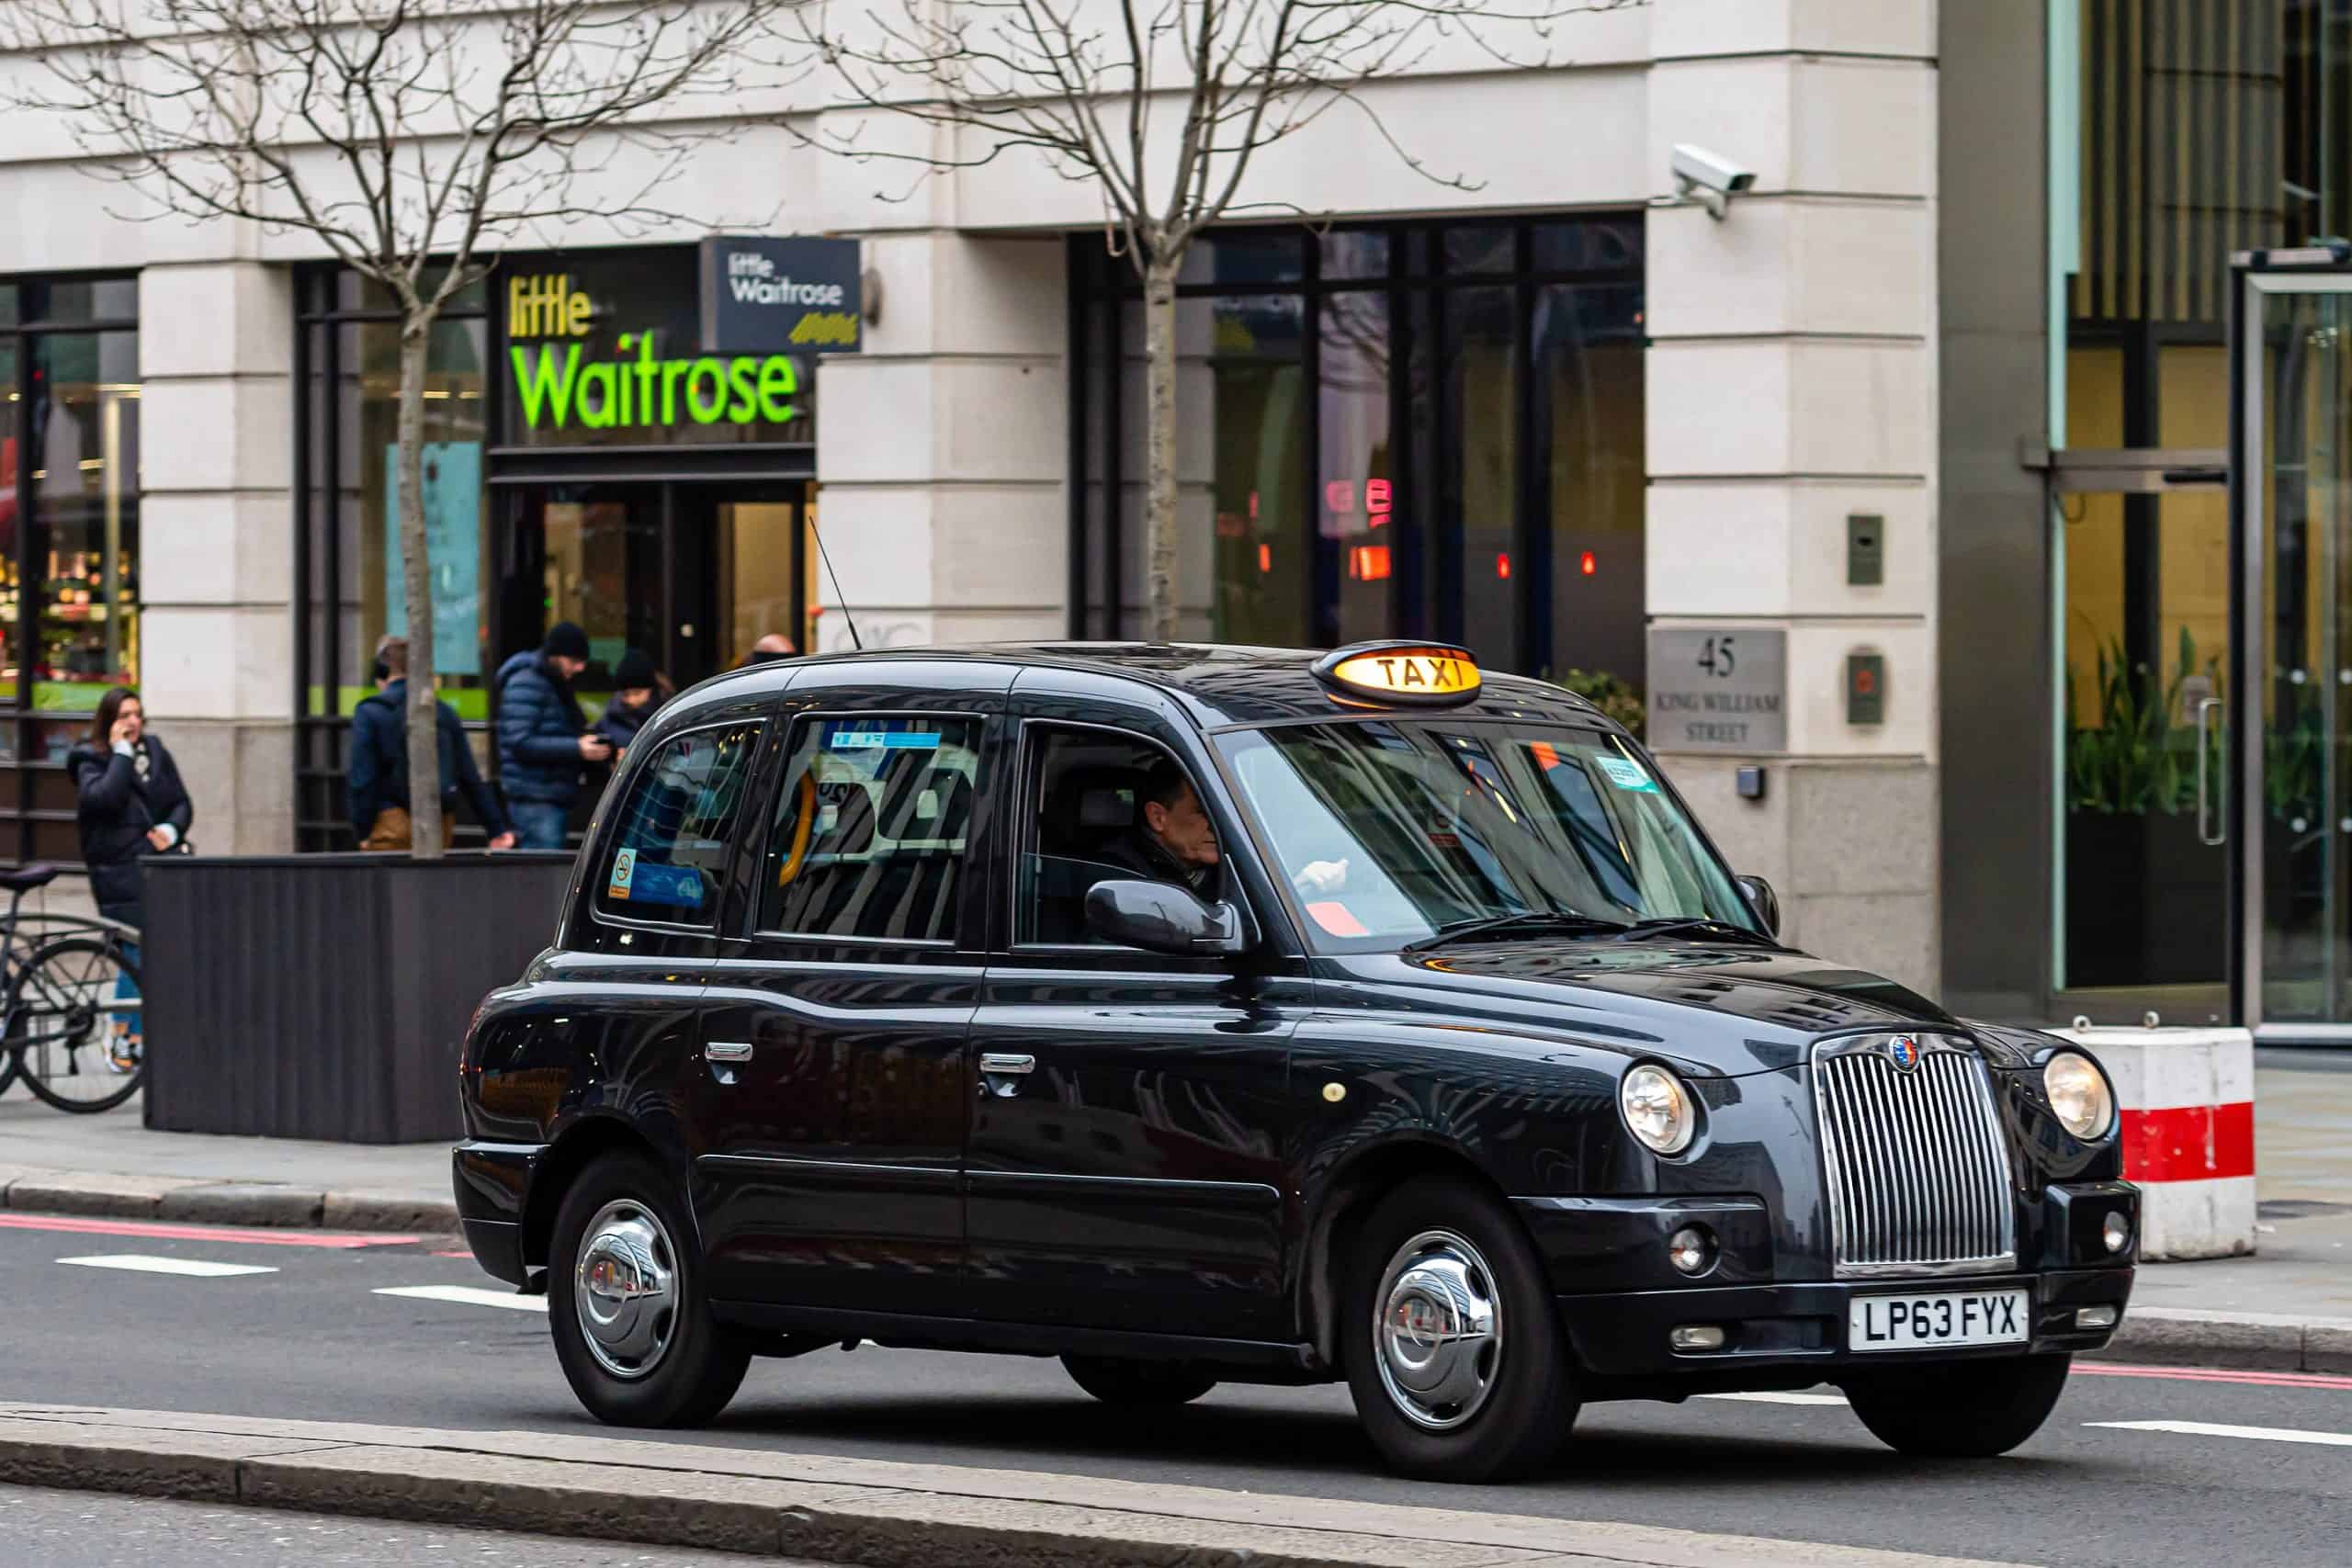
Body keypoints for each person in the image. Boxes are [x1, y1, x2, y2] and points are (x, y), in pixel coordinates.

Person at [348, 637, 516, 852]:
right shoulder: (444, 713)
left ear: (382, 672)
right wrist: (496, 829)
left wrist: (362, 829)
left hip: (389, 824)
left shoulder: (370, 712)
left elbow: (363, 779)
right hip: (439, 823)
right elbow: (470, 776)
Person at [67, 687, 193, 933]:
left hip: (160, 869)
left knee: (162, 954)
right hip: (120, 876)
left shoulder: (155, 751)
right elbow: (106, 799)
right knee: (133, 956)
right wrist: (122, 752)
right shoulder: (90, 758)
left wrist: (171, 829)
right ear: (109, 721)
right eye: (125, 716)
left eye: (138, 714)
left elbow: (181, 802)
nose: (134, 722)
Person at [495, 622, 611, 851]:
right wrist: (577, 748)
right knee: (539, 870)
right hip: (535, 796)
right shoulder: (527, 681)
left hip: (546, 793)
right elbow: (520, 742)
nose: (579, 668)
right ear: (555, 656)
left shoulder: (551, 682)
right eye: (574, 660)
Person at [1100, 761, 1223, 898]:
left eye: (1224, 812)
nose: (1217, 825)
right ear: (1157, 817)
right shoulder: (1120, 875)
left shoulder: (1238, 862)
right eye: (1203, 812)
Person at [590, 649, 664, 761]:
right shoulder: (608, 722)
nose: (631, 700)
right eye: (626, 694)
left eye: (637, 693)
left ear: (651, 690)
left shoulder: (667, 717)